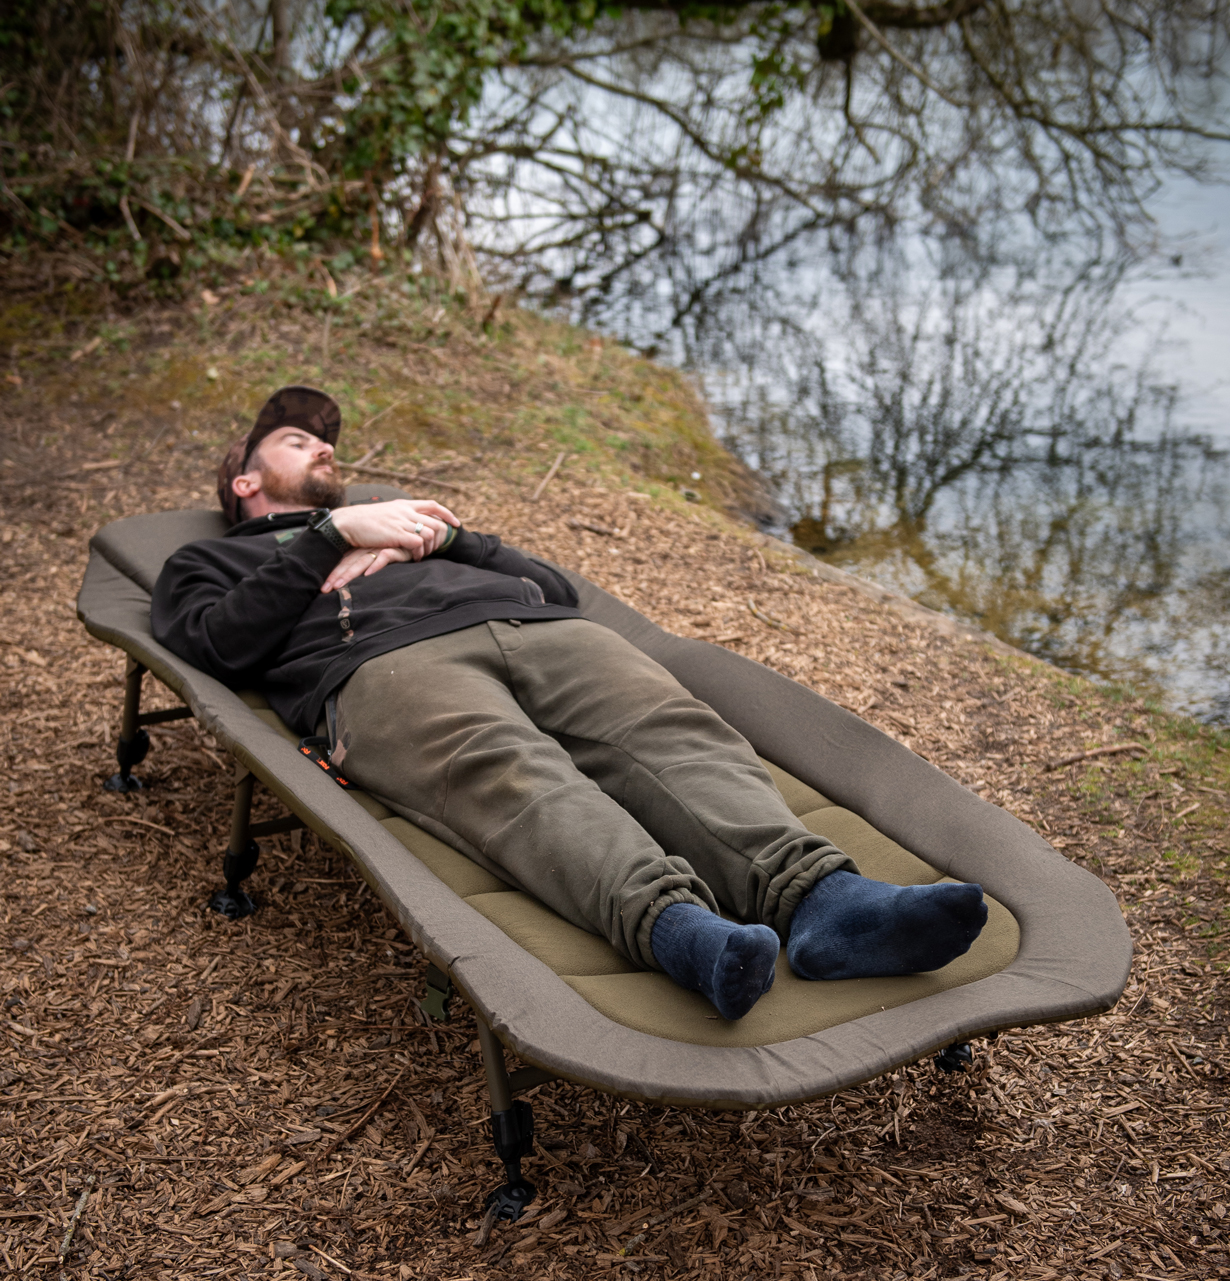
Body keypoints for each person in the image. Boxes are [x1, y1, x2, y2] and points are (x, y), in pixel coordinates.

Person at [152, 386, 988, 1020]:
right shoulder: (214, 561)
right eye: (299, 441)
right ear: (246, 479)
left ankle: (826, 904)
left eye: (328, 440)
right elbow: (216, 645)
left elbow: (555, 589)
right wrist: (333, 537)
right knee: (512, 773)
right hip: (381, 667)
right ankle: (681, 933)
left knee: (669, 731)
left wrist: (451, 540)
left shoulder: (402, 522)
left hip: (539, 629)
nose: (326, 449)